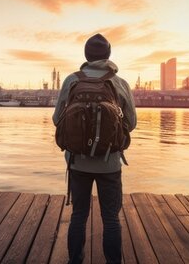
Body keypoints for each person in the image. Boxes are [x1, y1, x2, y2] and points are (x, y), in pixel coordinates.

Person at [52, 33, 137, 264]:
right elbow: (132, 122)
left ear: (86, 56)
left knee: (78, 216)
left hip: (77, 161)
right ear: (108, 55)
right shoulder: (119, 83)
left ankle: (75, 261)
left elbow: (57, 118)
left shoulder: (72, 80)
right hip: (109, 163)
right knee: (111, 218)